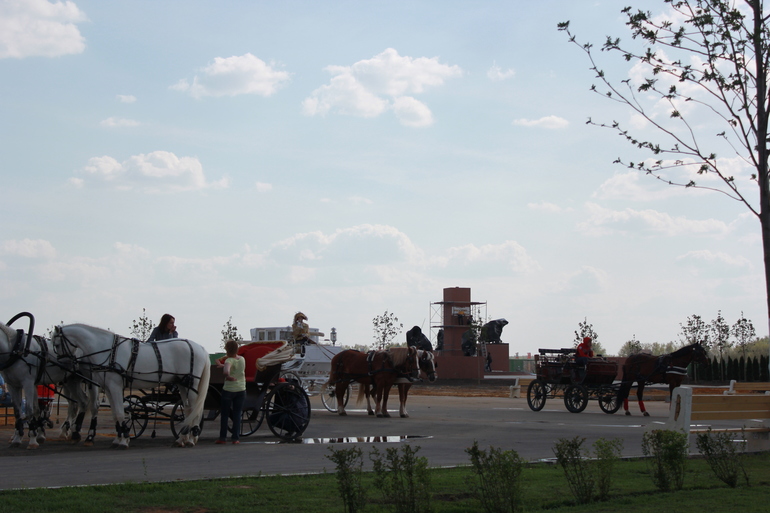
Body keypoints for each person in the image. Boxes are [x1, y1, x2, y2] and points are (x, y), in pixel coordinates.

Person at [216, 339, 246, 445]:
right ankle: (235, 438)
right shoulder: (242, 359)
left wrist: (228, 376)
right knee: (237, 414)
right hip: (241, 389)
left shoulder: (229, 360)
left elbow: (226, 371)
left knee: (225, 414)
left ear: (227, 349)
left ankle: (223, 437)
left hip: (229, 389)